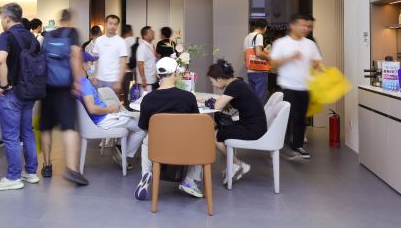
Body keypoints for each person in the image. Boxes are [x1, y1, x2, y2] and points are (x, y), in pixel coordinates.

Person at [135, 57, 203, 201]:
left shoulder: (148, 99)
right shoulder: (188, 97)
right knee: (201, 141)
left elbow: (144, 128)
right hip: (185, 148)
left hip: (158, 148)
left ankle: (146, 173)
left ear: (157, 75)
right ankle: (190, 180)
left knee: (147, 140)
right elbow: (196, 126)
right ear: (176, 73)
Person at [0, 3, 40, 191]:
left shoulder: (6, 36)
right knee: (27, 132)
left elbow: (1, 60)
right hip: (29, 92)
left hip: (12, 93)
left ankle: (13, 177)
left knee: (11, 136)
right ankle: (31, 172)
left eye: (1, 18)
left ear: (7, 18)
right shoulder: (32, 37)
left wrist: (4, 85)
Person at [40, 9, 88, 185]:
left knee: (45, 127)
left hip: (46, 87)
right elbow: (75, 57)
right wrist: (77, 82)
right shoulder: (72, 33)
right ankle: (72, 169)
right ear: (70, 20)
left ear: (60, 20)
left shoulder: (48, 35)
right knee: (69, 127)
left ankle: (46, 165)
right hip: (64, 88)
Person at [78, 52, 146, 170]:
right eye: (90, 63)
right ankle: (123, 154)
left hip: (102, 117)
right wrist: (111, 109)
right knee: (142, 128)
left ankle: (119, 147)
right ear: (83, 65)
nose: (92, 66)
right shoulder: (84, 84)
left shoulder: (80, 81)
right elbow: (92, 109)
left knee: (133, 121)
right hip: (103, 119)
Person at [270, 14, 322, 160]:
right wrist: (290, 57)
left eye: (307, 26)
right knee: (289, 116)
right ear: (292, 26)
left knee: (301, 118)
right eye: (302, 25)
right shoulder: (281, 43)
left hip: (305, 87)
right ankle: (278, 144)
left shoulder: (310, 44)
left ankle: (297, 146)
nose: (305, 28)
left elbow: (317, 61)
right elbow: (273, 63)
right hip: (287, 86)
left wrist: (314, 64)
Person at [208, 59, 267, 184]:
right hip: (252, 125)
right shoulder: (237, 83)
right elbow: (227, 104)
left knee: (214, 135)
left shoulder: (234, 86)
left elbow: (217, 106)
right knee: (216, 130)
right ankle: (234, 164)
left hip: (253, 129)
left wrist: (214, 102)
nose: (213, 84)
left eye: (212, 81)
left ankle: (239, 164)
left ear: (219, 79)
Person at [92, 15, 128, 98]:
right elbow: (95, 60)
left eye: (115, 24)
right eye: (110, 23)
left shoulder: (121, 42)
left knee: (112, 104)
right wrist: (94, 76)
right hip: (99, 79)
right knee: (99, 103)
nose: (112, 26)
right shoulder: (99, 40)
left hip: (113, 80)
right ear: (106, 24)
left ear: (117, 26)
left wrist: (119, 81)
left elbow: (123, 64)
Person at [244, 19, 270, 103]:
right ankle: (259, 112)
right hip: (259, 71)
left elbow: (245, 57)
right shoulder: (259, 36)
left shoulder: (247, 37)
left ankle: (252, 111)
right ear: (265, 28)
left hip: (250, 71)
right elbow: (259, 53)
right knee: (260, 99)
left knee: (253, 98)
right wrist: (269, 58)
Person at [136, 26, 158, 94]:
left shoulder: (150, 45)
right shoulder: (142, 47)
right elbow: (140, 63)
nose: (153, 33)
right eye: (151, 32)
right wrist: (143, 79)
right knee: (146, 99)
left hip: (152, 79)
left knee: (151, 98)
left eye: (153, 32)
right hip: (146, 81)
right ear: (145, 36)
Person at [122, 24, 137, 103]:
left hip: (126, 71)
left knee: (128, 92)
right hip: (137, 70)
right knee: (136, 92)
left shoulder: (122, 41)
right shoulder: (136, 40)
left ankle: (129, 106)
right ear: (130, 31)